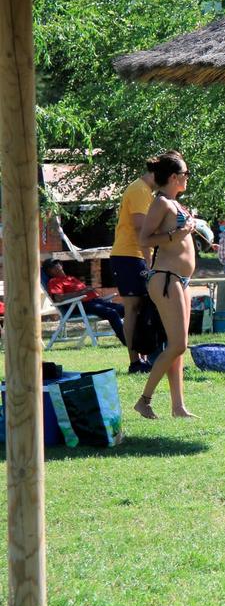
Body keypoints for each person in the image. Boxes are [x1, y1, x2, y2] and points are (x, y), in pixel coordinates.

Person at [133, 152, 197, 419]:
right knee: (177, 345)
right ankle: (144, 400)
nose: (187, 178)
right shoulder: (161, 203)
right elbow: (145, 239)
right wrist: (177, 233)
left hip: (181, 280)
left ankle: (178, 406)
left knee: (178, 346)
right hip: (166, 278)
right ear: (173, 177)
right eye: (185, 173)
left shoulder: (176, 203)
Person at [111, 153, 179, 373]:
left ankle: (146, 356)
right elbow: (141, 228)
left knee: (142, 308)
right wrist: (150, 262)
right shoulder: (140, 190)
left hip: (137, 255)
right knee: (132, 308)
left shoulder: (146, 191)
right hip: (129, 255)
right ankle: (135, 361)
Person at [42, 259, 125, 344]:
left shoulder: (70, 278)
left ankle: (133, 335)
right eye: (52, 266)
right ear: (49, 272)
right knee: (112, 313)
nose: (57, 265)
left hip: (95, 301)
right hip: (80, 305)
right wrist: (81, 292)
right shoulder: (54, 281)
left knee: (125, 310)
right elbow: (58, 298)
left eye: (57, 263)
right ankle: (127, 340)